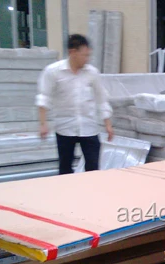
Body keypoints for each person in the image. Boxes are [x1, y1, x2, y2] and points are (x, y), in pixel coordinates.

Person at [36, 34, 114, 174]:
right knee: (65, 168)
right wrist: (43, 124)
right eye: (84, 55)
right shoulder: (53, 72)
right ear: (72, 52)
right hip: (65, 127)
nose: (87, 59)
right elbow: (44, 97)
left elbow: (101, 98)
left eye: (88, 55)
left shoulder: (92, 73)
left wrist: (108, 124)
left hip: (89, 126)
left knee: (93, 167)